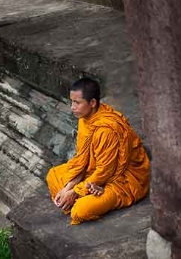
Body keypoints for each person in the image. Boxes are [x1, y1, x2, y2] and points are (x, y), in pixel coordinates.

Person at [46, 77, 150, 225]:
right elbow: (82, 159)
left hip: (119, 179)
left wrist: (75, 192)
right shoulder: (84, 118)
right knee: (53, 175)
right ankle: (83, 194)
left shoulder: (106, 129)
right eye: (71, 102)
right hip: (93, 175)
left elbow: (105, 172)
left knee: (79, 211)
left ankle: (81, 198)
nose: (72, 107)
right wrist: (69, 188)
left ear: (92, 103)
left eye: (77, 102)